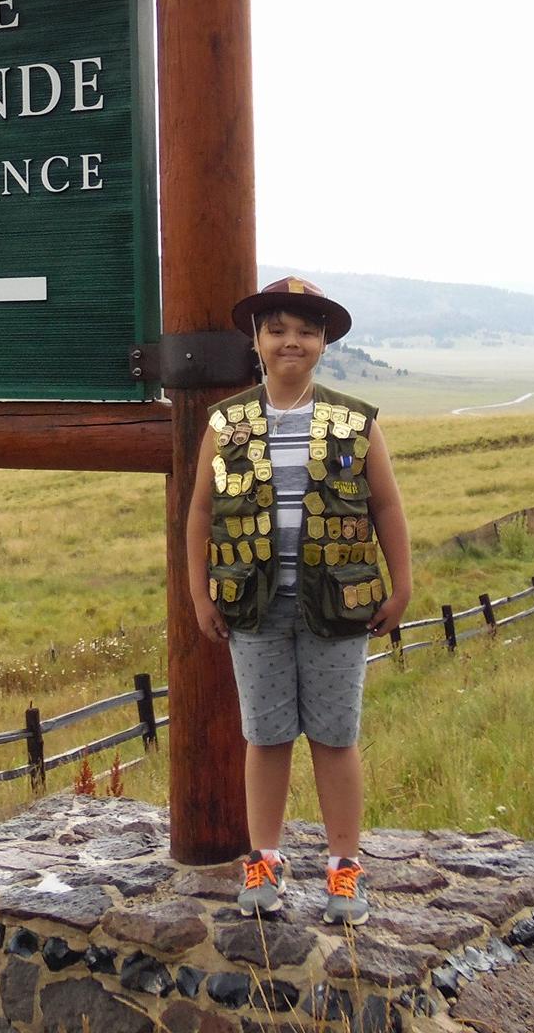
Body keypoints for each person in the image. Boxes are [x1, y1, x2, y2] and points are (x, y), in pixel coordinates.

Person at [186, 277, 412, 926]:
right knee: (266, 735)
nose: (292, 340)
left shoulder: (354, 420)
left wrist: (403, 584)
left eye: (307, 330)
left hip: (338, 608)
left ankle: (344, 868)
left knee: (336, 738)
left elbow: (386, 506)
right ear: (256, 341)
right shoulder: (225, 423)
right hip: (252, 608)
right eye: (278, 328)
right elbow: (200, 510)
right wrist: (198, 591)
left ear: (324, 343)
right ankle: (266, 858)